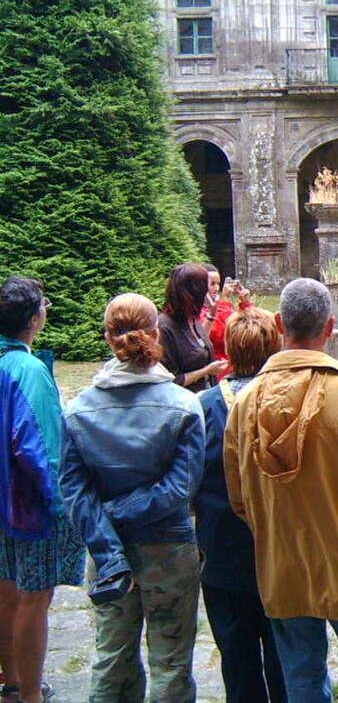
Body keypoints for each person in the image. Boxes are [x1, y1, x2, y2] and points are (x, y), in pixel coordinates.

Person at [224, 278, 338, 703]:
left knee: (302, 684)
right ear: (330, 327)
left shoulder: (245, 404)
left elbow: (240, 498)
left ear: (278, 324)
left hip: (283, 568)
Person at [60, 293, 206, 702]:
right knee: (171, 661)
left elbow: (73, 490)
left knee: (112, 658)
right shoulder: (184, 406)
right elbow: (180, 489)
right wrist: (122, 512)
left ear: (107, 338)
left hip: (108, 552)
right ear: (155, 333)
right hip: (168, 548)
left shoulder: (78, 410)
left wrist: (107, 522)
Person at [0, 278, 85, 703]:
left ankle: (11, 680)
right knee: (33, 597)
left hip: (3, 501)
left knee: (5, 588)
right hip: (26, 505)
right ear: (34, 319)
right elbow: (39, 445)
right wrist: (61, 503)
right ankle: (30, 693)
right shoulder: (28, 370)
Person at [194, 307, 286, 703]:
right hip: (281, 552)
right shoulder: (288, 403)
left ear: (228, 351)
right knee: (286, 659)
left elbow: (190, 480)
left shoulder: (203, 407)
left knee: (237, 659)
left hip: (222, 549)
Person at [158, 263, 227, 392]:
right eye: (206, 287)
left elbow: (198, 345)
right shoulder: (164, 328)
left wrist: (211, 315)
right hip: (185, 400)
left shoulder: (192, 319)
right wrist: (206, 371)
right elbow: (170, 381)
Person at [201, 265, 253, 370]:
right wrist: (224, 300)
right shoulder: (198, 311)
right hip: (217, 368)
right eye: (212, 284)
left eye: (218, 284)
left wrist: (245, 304)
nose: (217, 288)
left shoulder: (220, 307)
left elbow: (246, 328)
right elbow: (223, 333)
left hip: (232, 365)